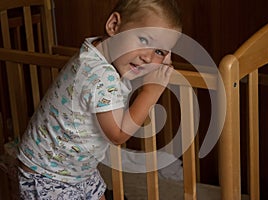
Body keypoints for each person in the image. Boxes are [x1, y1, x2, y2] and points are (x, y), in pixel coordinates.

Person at [17, 0, 182, 199]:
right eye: (144, 40)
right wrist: (151, 91)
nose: (148, 57)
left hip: (76, 170)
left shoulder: (96, 49)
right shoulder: (102, 76)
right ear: (113, 25)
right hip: (49, 175)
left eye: (159, 52)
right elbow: (117, 134)